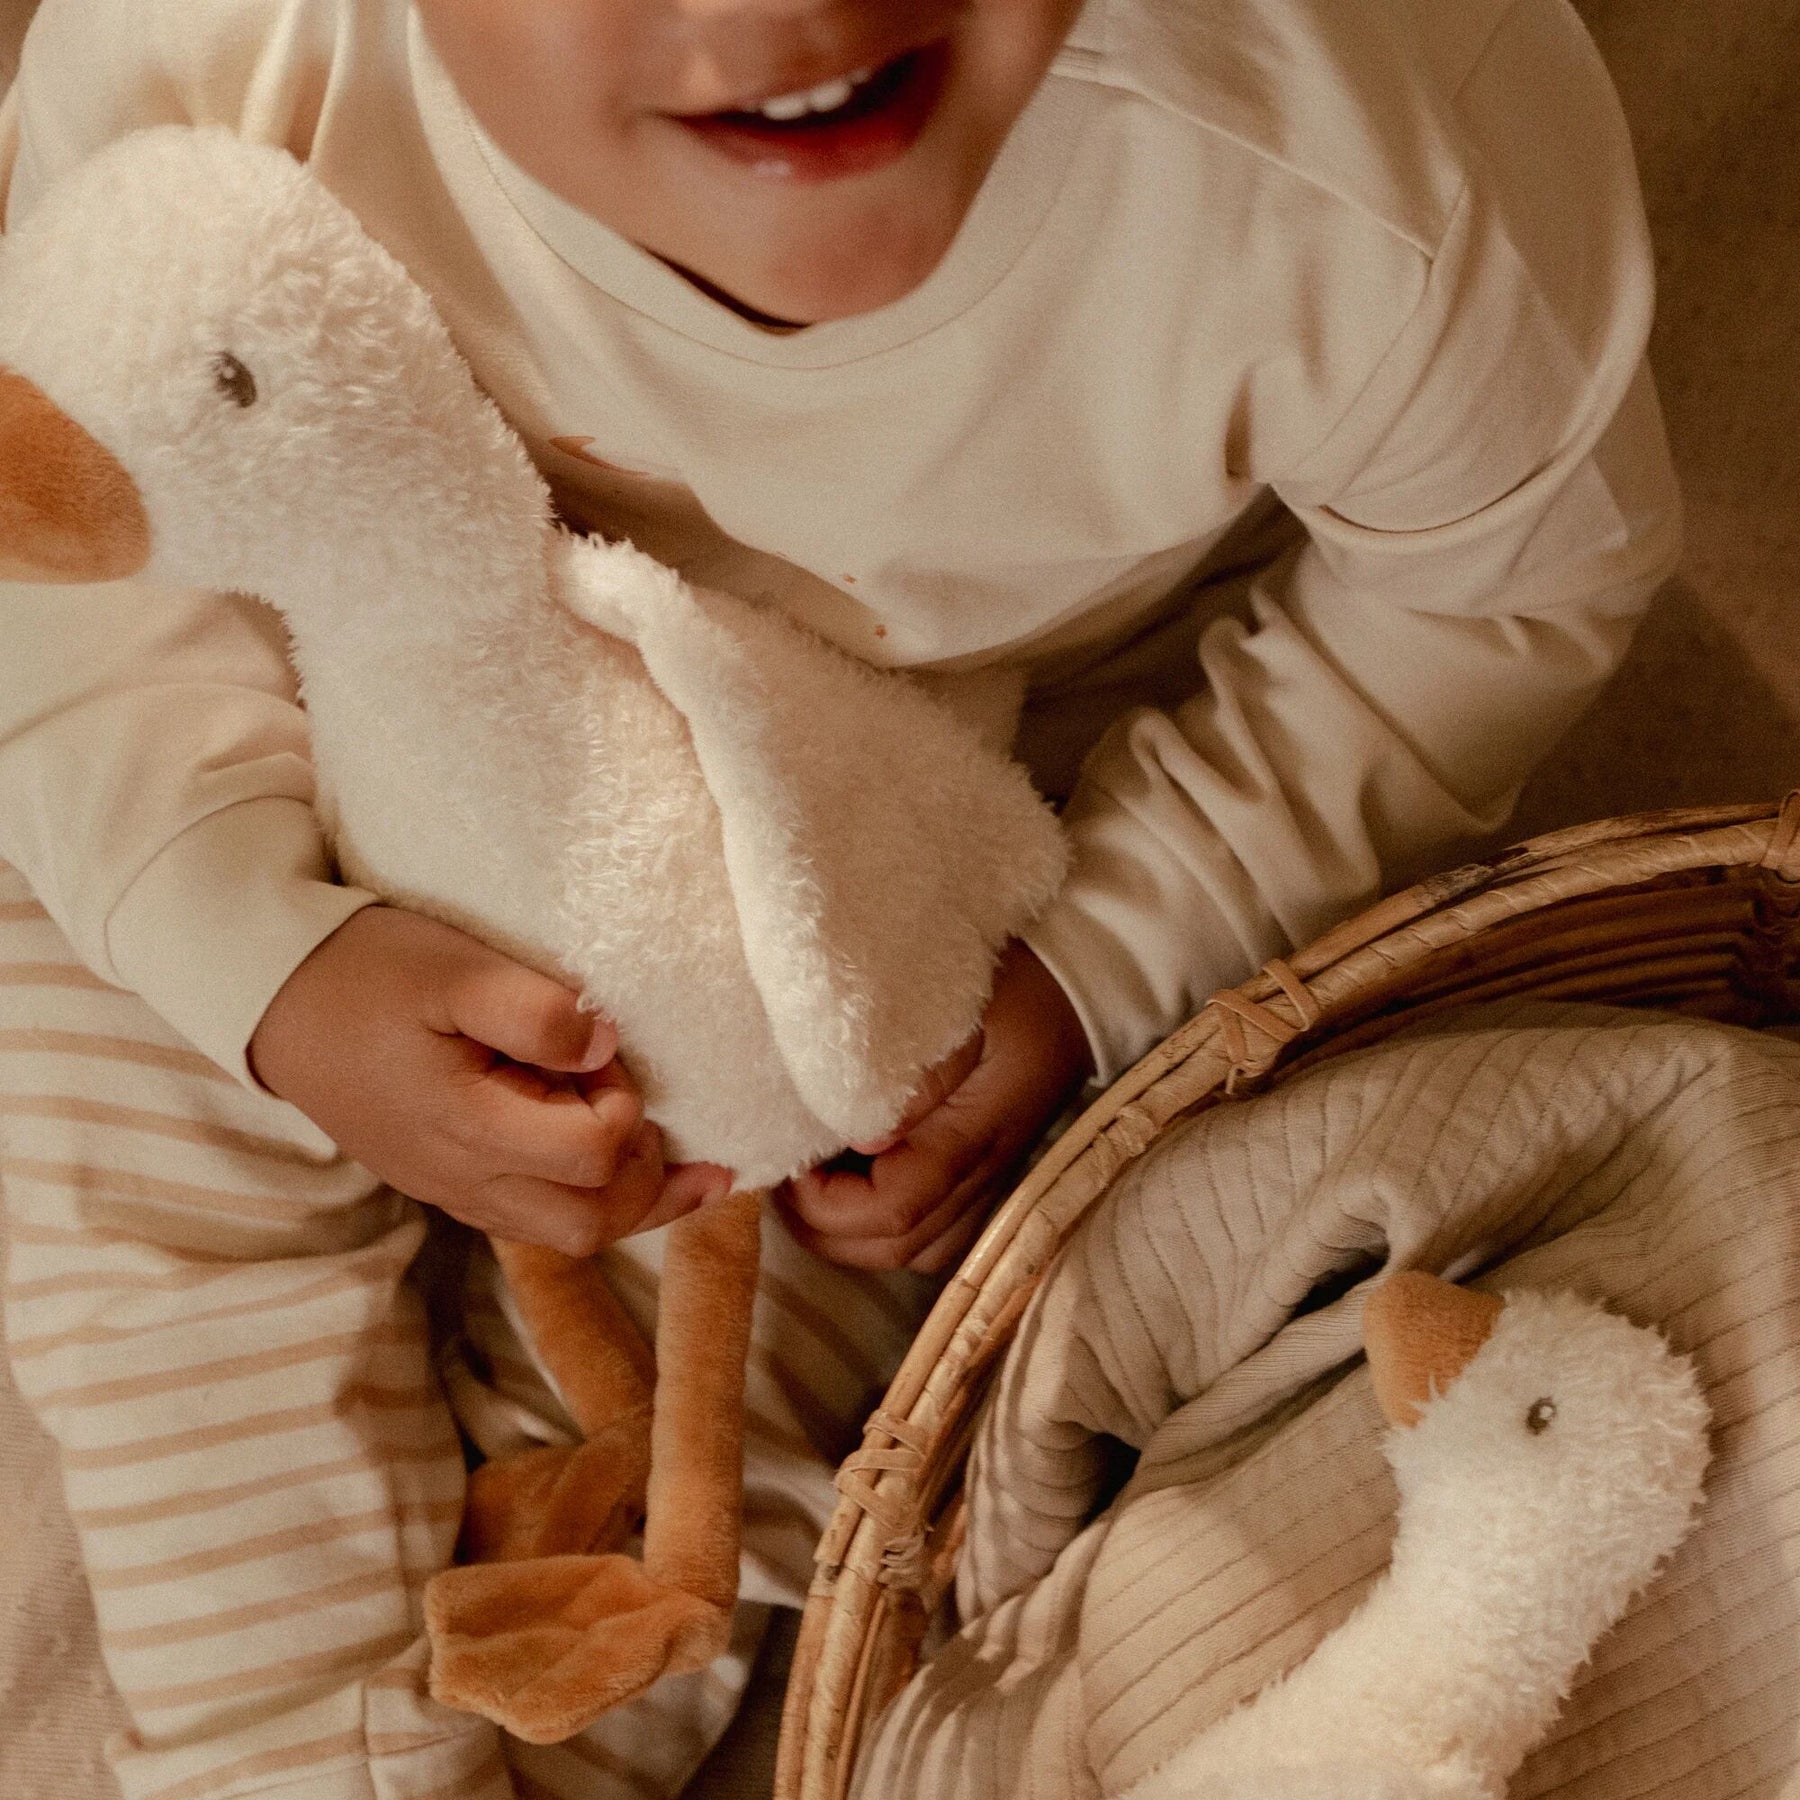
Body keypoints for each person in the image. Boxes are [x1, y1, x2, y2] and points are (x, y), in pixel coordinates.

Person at [0, 0, 1681, 1796]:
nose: (778, 17)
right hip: (324, 666)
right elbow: (70, 526)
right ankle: (280, 1757)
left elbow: (1499, 592)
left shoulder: (1370, 149)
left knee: (776, 1387)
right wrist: (271, 970)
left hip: (930, 789)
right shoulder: (212, 48)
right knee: (129, 1125)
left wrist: (1101, 956)